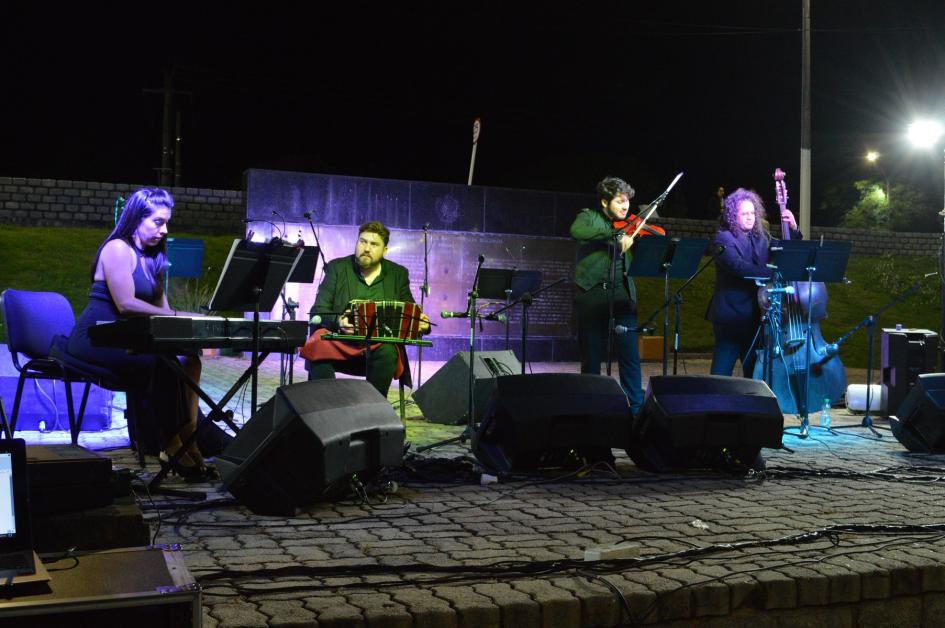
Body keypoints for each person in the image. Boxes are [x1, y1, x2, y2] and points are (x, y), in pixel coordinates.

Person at [66, 188, 210, 479]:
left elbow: (162, 309)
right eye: (158, 222)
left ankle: (189, 436)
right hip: (96, 338)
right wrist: (178, 315)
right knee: (159, 363)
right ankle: (170, 444)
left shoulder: (153, 257)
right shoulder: (117, 248)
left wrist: (186, 319)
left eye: (167, 222)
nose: (165, 229)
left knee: (190, 358)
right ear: (136, 218)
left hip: (128, 339)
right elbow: (126, 304)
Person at [302, 221, 430, 397]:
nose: (367, 248)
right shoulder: (337, 268)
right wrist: (338, 321)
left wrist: (421, 324)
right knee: (317, 342)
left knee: (388, 350)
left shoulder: (398, 274)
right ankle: (326, 407)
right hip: (341, 342)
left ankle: (372, 410)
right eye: (362, 241)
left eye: (374, 244)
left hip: (378, 347)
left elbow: (410, 312)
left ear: (385, 250)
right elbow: (319, 310)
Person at [570, 176, 651, 415]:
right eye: (619, 201)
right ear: (605, 202)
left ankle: (636, 409)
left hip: (623, 297)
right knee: (592, 358)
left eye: (627, 201)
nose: (625, 206)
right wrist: (614, 236)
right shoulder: (589, 217)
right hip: (593, 296)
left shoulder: (629, 226)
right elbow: (577, 230)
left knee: (630, 357)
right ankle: (591, 409)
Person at [705, 187, 799, 378]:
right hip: (731, 316)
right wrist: (775, 273)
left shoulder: (761, 236)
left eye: (752, 213)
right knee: (721, 372)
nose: (750, 217)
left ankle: (749, 405)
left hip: (756, 315)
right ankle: (714, 404)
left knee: (754, 372)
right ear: (733, 215)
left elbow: (784, 251)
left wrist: (793, 230)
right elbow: (739, 267)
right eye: (744, 213)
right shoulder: (723, 238)